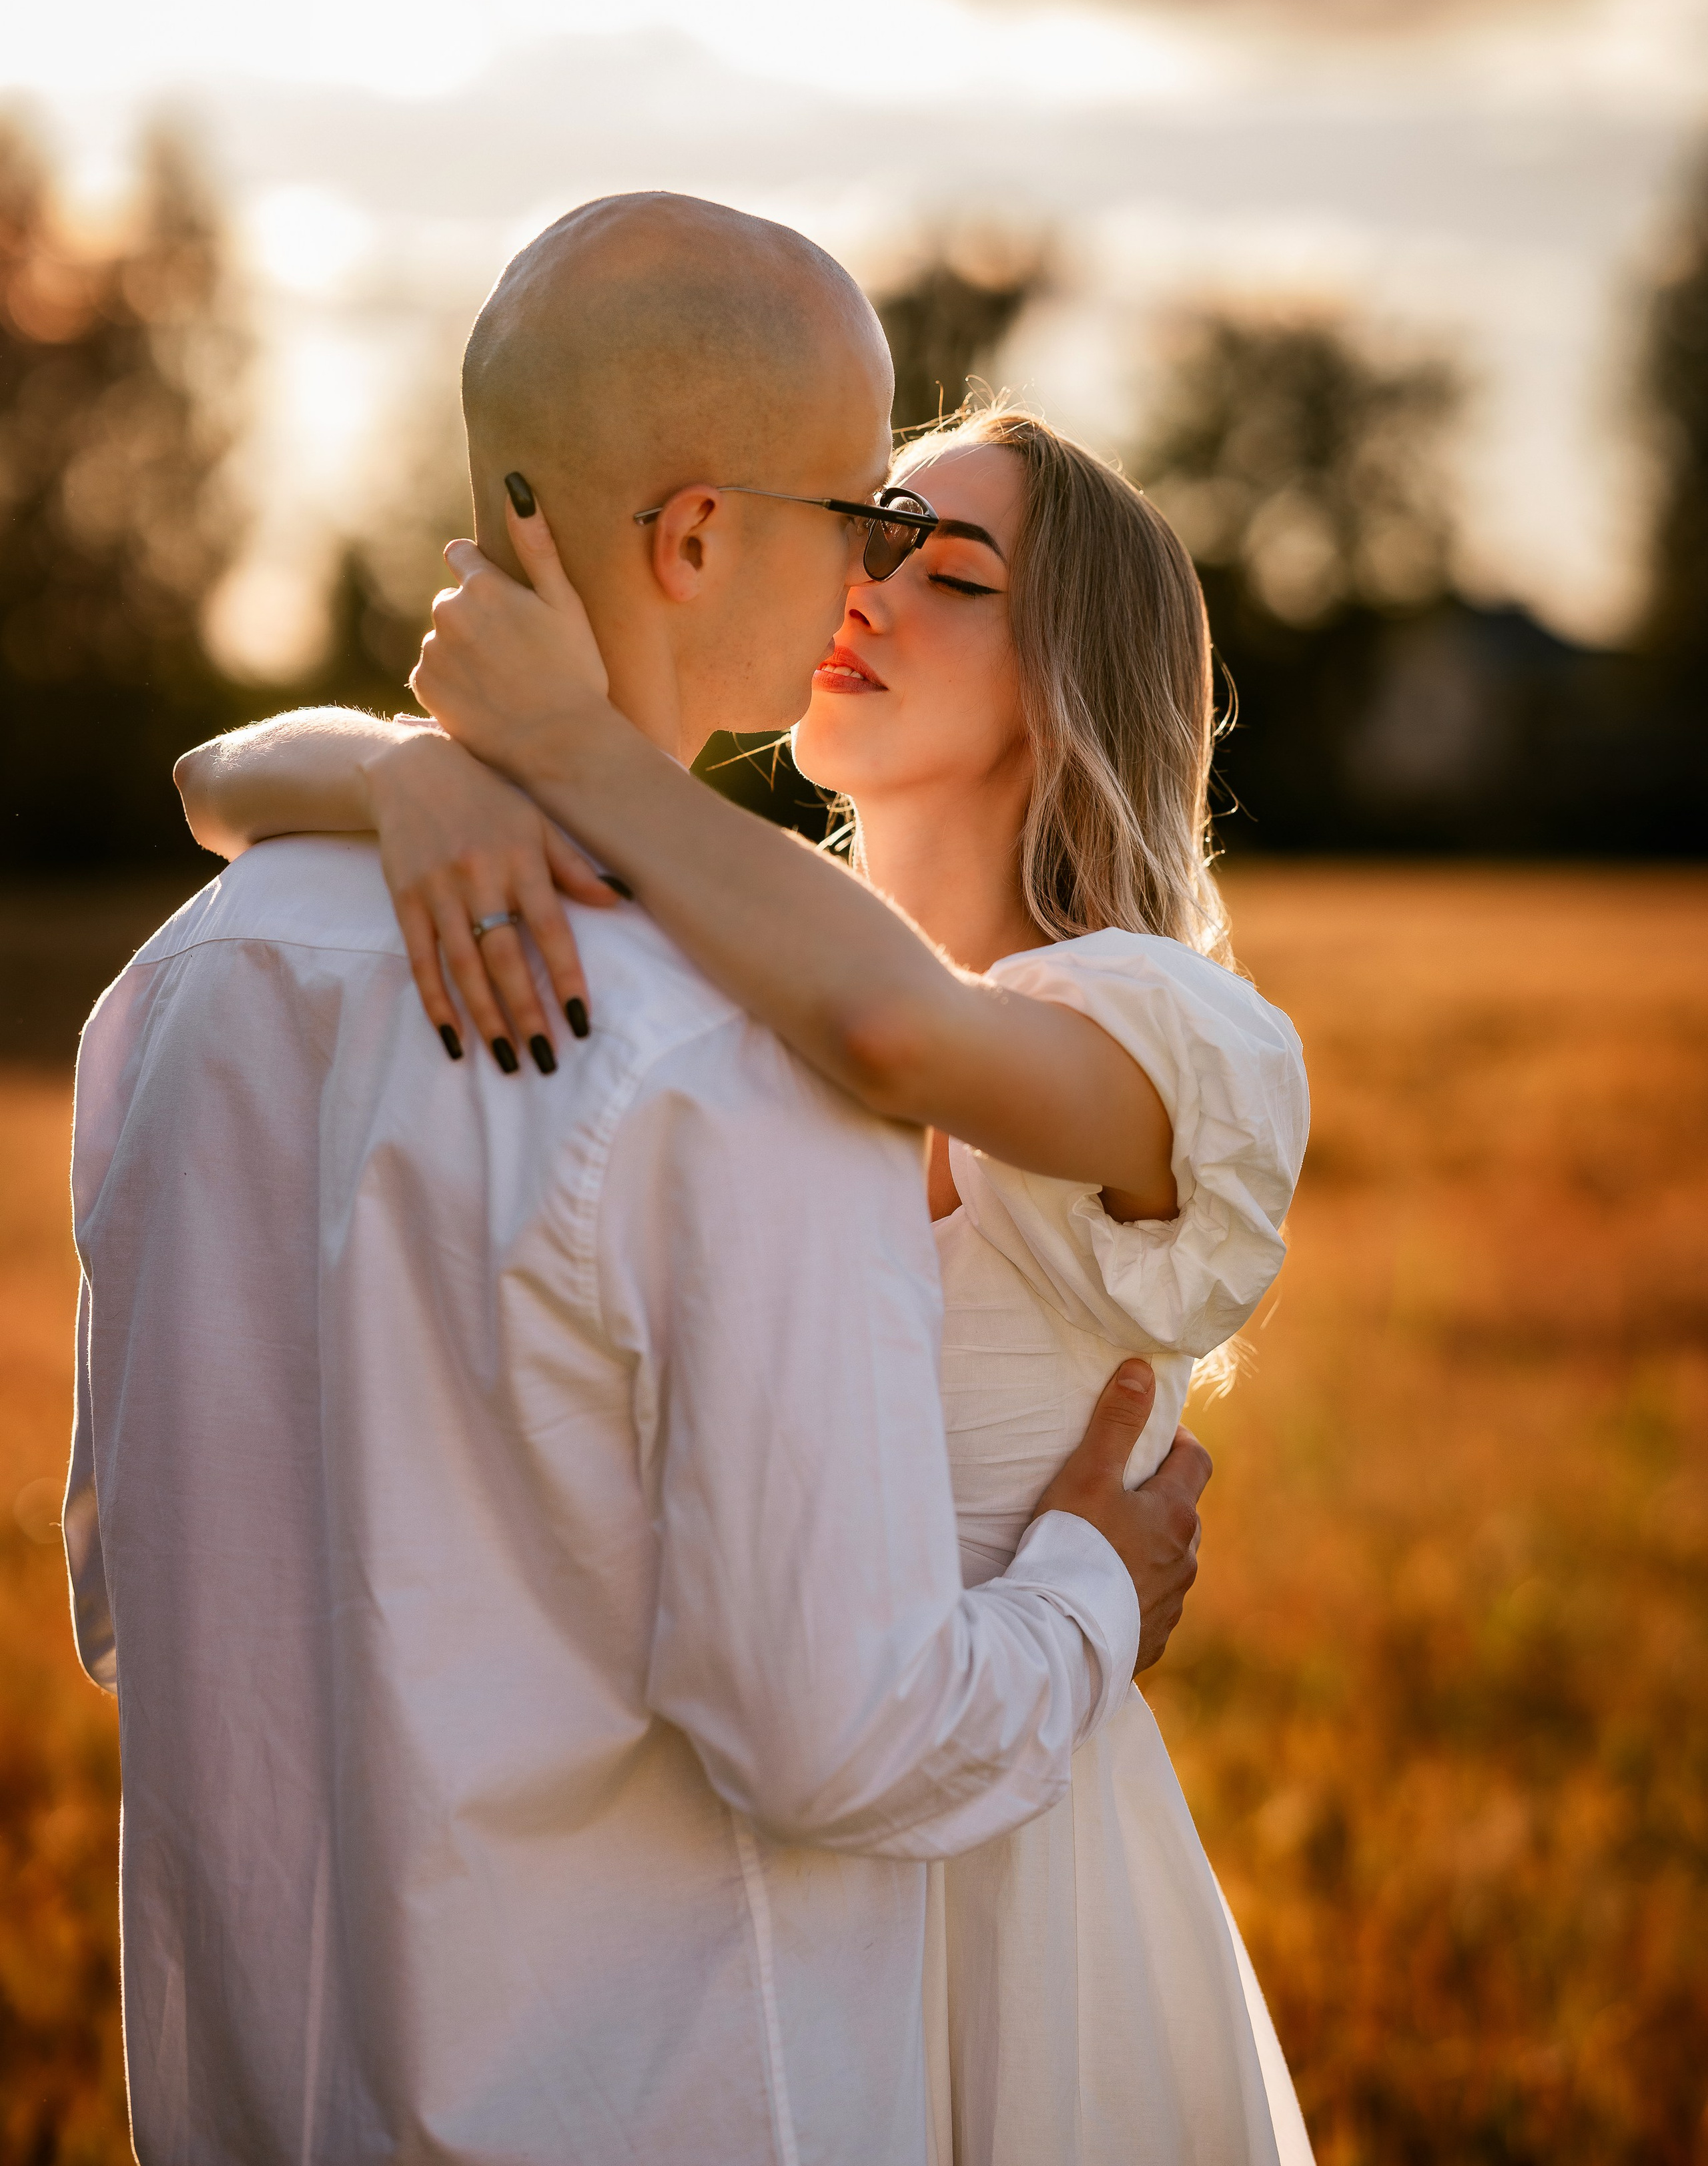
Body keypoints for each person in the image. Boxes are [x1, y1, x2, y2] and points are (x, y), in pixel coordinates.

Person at [68, 193, 1214, 2166]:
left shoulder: (188, 982)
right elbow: (838, 1734)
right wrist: (1101, 1590)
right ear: (697, 537)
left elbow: (121, 1582)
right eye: (865, 522)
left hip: (258, 2086)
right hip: (666, 2085)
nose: (871, 580)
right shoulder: (730, 1062)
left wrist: (407, 764)